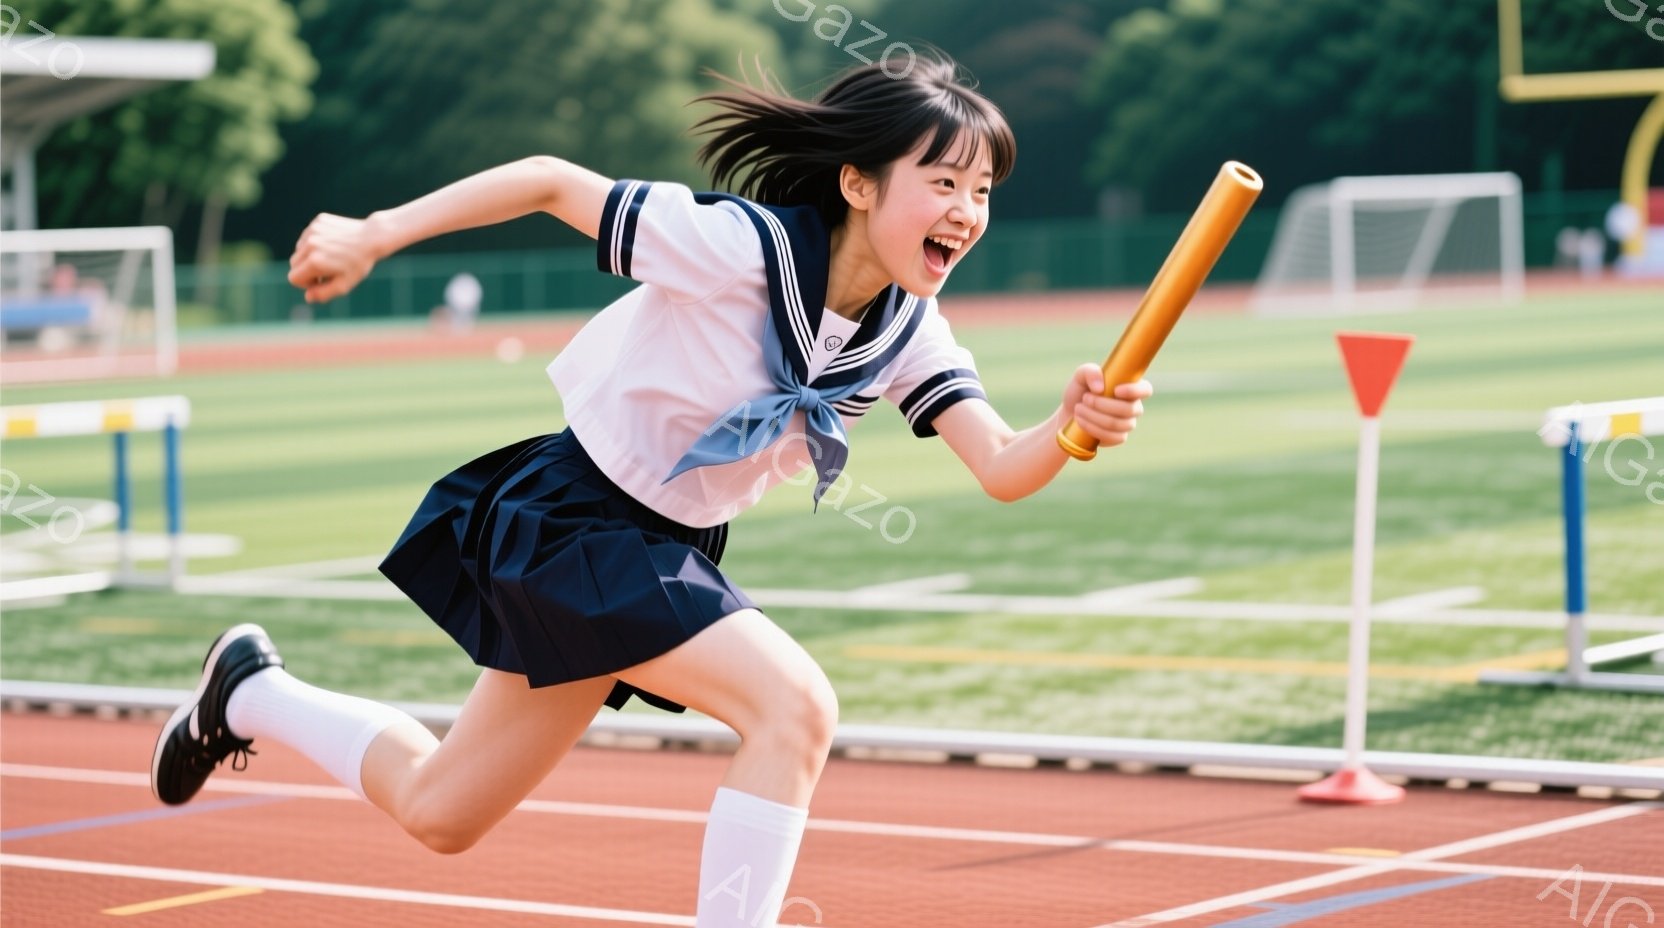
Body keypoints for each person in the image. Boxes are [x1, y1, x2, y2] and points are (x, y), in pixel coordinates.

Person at [151, 54, 1152, 926]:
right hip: (570, 515)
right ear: (854, 181)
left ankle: (250, 690)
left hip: (662, 549)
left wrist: (1072, 426)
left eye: (983, 192)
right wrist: (374, 232)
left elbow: (1000, 467)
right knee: (794, 707)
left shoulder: (909, 332)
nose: (967, 212)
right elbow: (548, 180)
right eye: (944, 183)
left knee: (439, 812)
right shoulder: (736, 246)